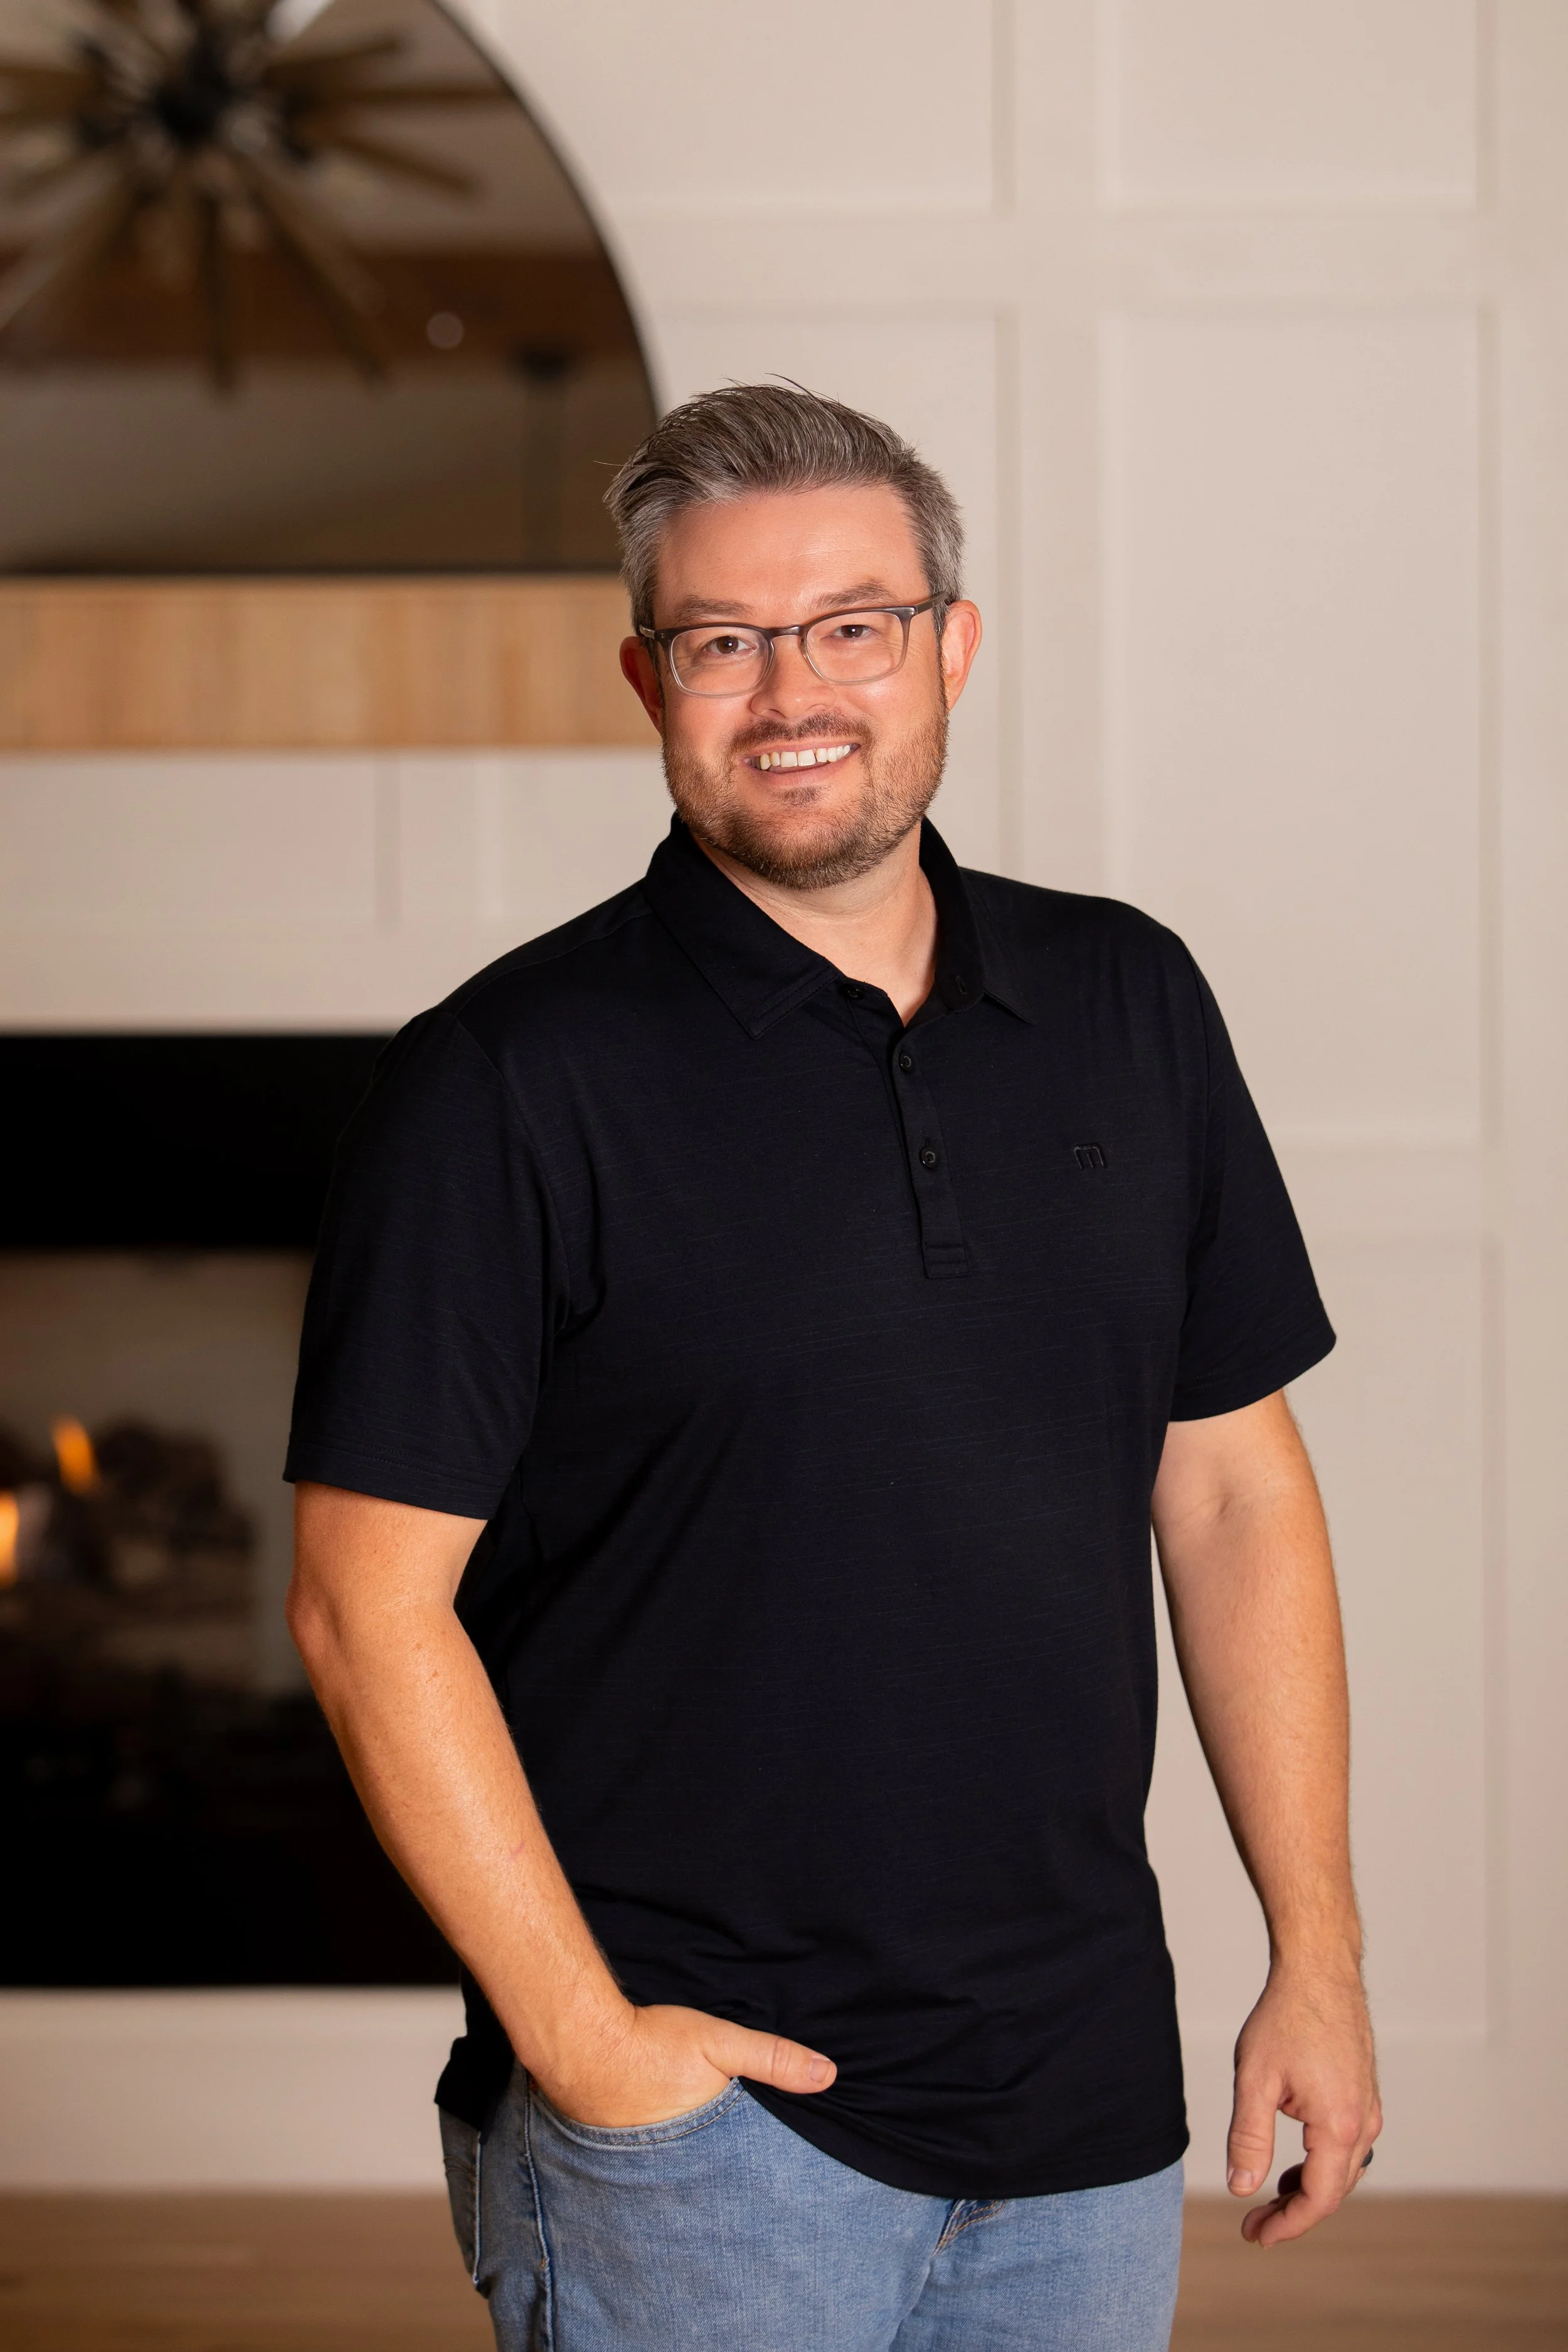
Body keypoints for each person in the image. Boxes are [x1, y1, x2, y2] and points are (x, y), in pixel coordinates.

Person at [285, 384, 1380, 2351]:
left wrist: (1317, 1954)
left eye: (851, 626)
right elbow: (368, 1610)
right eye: (724, 641)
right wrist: (592, 2053)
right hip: (705, 2140)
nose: (792, 691)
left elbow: (1227, 1490)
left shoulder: (1126, 999)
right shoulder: (503, 1079)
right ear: (648, 677)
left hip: (1086, 2112)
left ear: (949, 645)